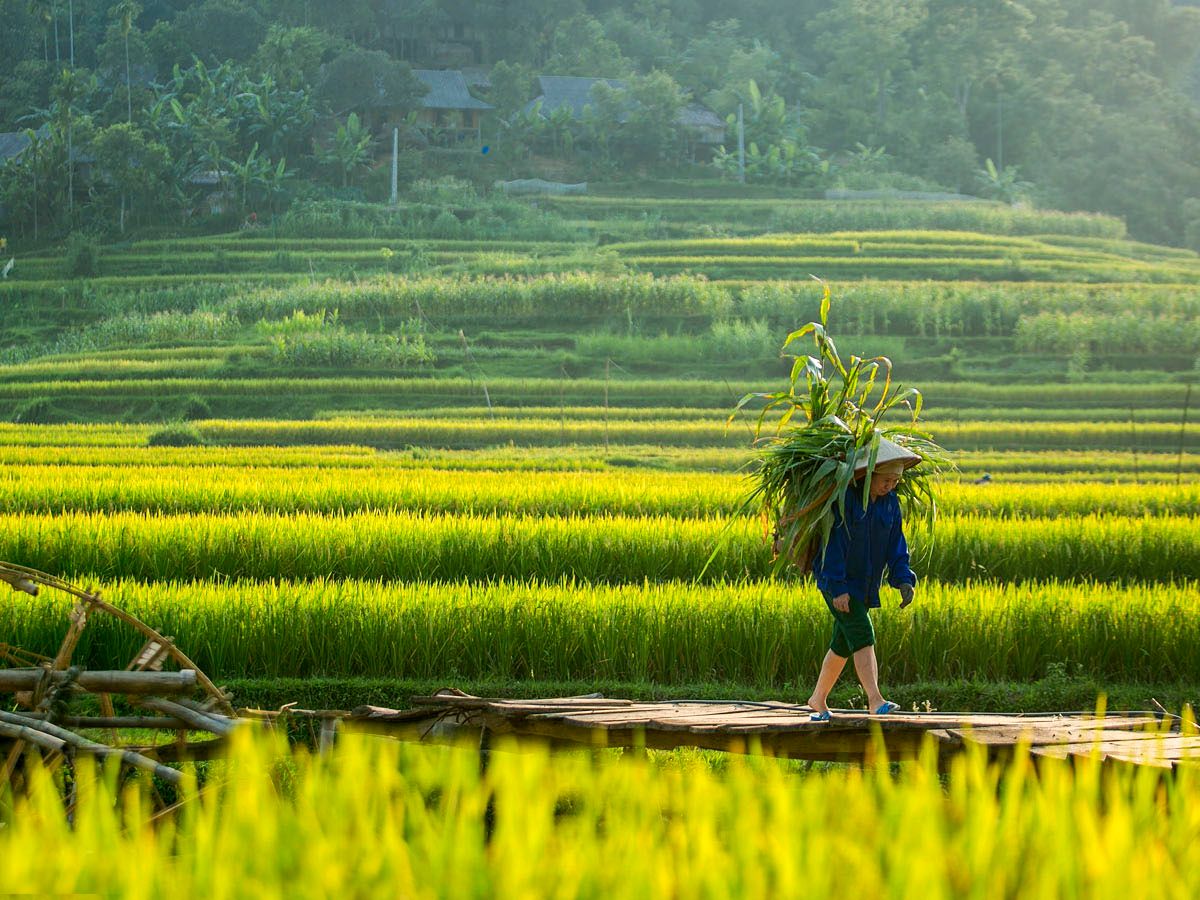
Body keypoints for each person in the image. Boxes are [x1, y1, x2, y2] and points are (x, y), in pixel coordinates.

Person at [806, 438, 920, 720]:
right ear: (869, 475)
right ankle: (875, 699)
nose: (890, 486)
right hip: (839, 583)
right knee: (863, 633)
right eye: (886, 480)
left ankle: (817, 699)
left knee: (843, 643)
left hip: (865, 584)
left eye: (895, 481)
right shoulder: (847, 501)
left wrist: (903, 578)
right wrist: (838, 588)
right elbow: (833, 546)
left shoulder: (890, 504)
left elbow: (896, 543)